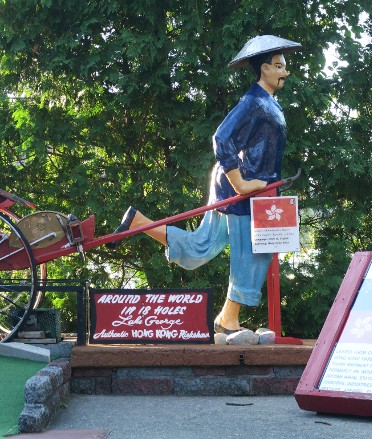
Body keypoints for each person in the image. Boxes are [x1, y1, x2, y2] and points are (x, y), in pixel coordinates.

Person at [111, 35, 301, 335]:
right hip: (244, 190)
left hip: (252, 187)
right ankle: (228, 320)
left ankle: (140, 222)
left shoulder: (267, 102)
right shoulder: (253, 102)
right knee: (252, 253)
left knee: (205, 244)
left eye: (284, 66)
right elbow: (221, 138)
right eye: (279, 66)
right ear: (264, 69)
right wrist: (240, 182)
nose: (285, 72)